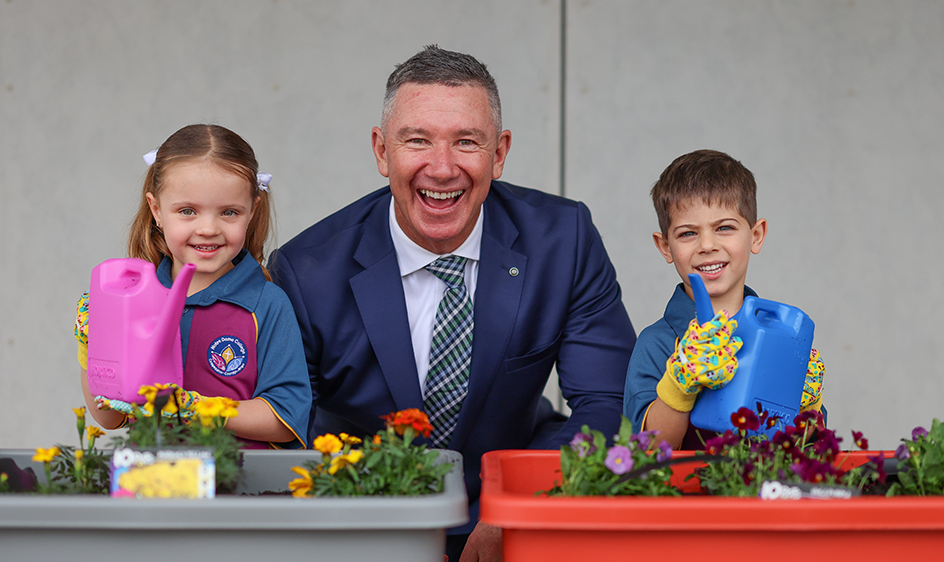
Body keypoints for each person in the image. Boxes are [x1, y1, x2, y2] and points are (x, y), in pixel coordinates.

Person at [269, 45, 636, 560]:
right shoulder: (306, 270)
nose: (441, 169)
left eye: (467, 142)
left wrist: (519, 511)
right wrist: (386, 529)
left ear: (499, 153)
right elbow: (288, 433)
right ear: (381, 151)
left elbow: (608, 401)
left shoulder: (563, 239)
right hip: (365, 518)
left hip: (514, 510)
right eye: (417, 141)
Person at [76, 124, 311, 449]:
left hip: (240, 490)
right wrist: (92, 344)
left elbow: (284, 418)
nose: (208, 228)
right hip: (151, 487)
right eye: (187, 211)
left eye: (229, 212)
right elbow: (110, 418)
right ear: (156, 209)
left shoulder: (266, 304)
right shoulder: (133, 302)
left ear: (252, 211)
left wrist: (194, 408)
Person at [623, 149, 825, 450]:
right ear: (665, 247)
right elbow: (645, 450)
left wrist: (807, 407)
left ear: (756, 235)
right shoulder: (657, 343)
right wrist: (679, 383)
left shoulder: (782, 338)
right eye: (688, 233)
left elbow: (806, 449)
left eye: (725, 228)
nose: (707, 245)